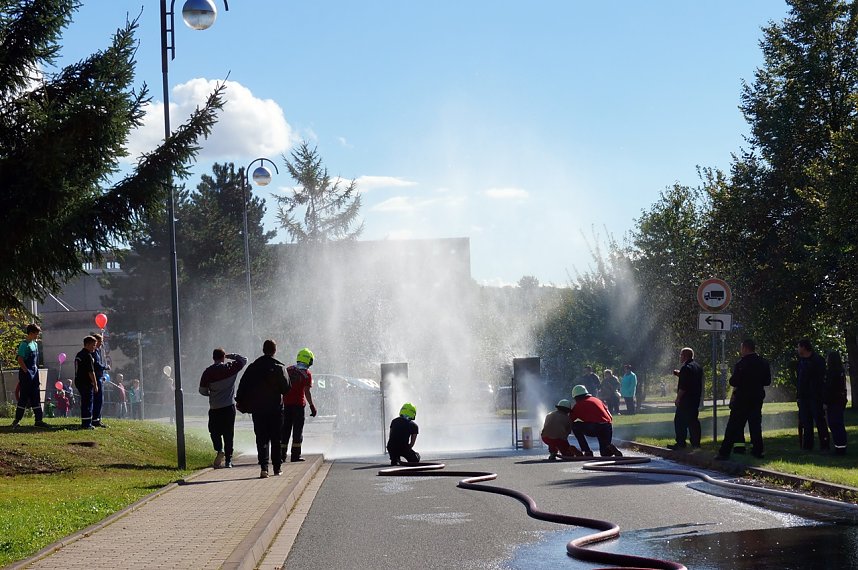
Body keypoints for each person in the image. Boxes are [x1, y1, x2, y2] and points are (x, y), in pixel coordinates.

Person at [235, 339, 291, 479]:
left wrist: (240, 401)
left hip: (258, 409)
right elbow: (286, 388)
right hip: (275, 409)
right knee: (276, 438)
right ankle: (277, 468)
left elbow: (243, 385)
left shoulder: (253, 367)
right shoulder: (279, 366)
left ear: (263, 349)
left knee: (261, 438)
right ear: (274, 350)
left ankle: (264, 468)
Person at [715, 339, 771, 460]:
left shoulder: (741, 364)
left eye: (741, 348)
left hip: (742, 399)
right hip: (757, 398)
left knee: (733, 426)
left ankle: (724, 452)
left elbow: (734, 381)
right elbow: (767, 381)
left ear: (745, 348)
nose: (741, 350)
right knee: (755, 425)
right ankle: (758, 451)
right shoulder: (763, 362)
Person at [199, 348, 247, 469]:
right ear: (223, 357)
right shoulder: (230, 368)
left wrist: (211, 394)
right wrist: (231, 356)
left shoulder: (207, 372)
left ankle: (219, 449)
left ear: (213, 358)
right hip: (229, 407)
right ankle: (229, 460)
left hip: (215, 407)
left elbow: (202, 391)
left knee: (214, 431)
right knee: (228, 434)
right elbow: (244, 360)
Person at [281, 348, 318, 463]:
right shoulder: (307, 374)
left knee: (285, 430)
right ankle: (295, 456)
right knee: (297, 431)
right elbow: (307, 392)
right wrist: (312, 406)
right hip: (298, 406)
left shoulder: (288, 370)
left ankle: (281, 456)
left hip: (286, 405)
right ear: (308, 360)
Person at [11, 324, 49, 428]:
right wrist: (26, 372)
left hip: (35, 373)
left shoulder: (35, 344)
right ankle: (17, 420)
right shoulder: (24, 344)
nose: (38, 335)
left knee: (36, 397)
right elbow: (20, 359)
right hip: (26, 374)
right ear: (31, 333)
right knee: (23, 397)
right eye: (37, 333)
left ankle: (39, 420)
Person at [568, 385, 622, 457]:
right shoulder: (597, 400)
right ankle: (611, 449)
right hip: (607, 427)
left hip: (595, 427)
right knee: (604, 453)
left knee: (575, 426)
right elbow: (610, 417)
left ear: (576, 397)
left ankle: (587, 451)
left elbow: (569, 421)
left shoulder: (578, 405)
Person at [796, 338, 830, 451]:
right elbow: (800, 380)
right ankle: (808, 445)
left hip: (815, 396)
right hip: (804, 397)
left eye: (799, 347)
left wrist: (823, 397)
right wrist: (799, 396)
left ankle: (824, 445)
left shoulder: (818, 360)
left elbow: (822, 380)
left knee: (819, 421)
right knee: (806, 422)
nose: (797, 349)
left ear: (804, 347)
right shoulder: (801, 361)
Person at [668, 347, 703, 450]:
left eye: (681, 355)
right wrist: (679, 374)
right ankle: (696, 444)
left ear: (685, 356)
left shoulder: (685, 367)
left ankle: (680, 443)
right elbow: (691, 379)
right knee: (693, 421)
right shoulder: (697, 367)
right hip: (695, 399)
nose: (680, 357)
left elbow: (684, 386)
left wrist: (678, 399)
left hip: (685, 400)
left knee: (679, 421)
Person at [824, 351, 847, 456]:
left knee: (834, 424)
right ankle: (840, 446)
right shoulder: (840, 372)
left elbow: (829, 389)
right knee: (838, 424)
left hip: (833, 401)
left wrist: (825, 401)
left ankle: (839, 447)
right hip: (839, 401)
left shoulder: (832, 373)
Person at [74, 336, 99, 429]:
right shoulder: (87, 355)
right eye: (93, 345)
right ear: (87, 344)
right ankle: (87, 423)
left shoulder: (79, 354)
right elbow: (91, 372)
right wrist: (95, 384)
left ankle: (85, 421)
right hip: (85, 382)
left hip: (79, 381)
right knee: (88, 403)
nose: (94, 347)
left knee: (84, 402)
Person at [91, 333, 109, 428]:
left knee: (100, 400)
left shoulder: (97, 351)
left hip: (100, 377)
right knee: (98, 399)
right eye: (100, 341)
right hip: (96, 378)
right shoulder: (94, 352)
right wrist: (105, 367)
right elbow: (97, 365)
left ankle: (98, 418)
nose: (102, 343)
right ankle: (95, 420)